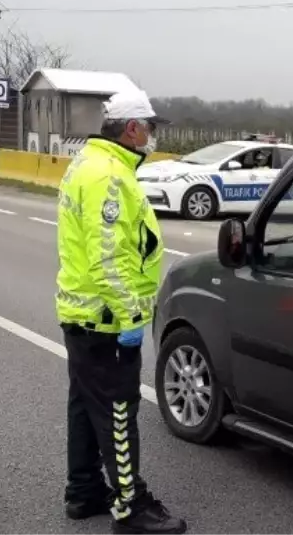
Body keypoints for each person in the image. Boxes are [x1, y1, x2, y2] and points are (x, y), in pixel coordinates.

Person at [55, 88, 187, 535]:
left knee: (84, 405)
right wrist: (132, 319)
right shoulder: (109, 177)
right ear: (131, 128)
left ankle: (84, 490)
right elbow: (110, 258)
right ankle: (131, 507)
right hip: (106, 320)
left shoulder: (89, 164)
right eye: (150, 127)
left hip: (83, 313)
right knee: (116, 410)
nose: (152, 135)